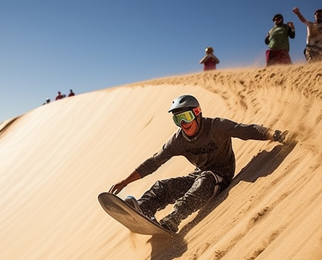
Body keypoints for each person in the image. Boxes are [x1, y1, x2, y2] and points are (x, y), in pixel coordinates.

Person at [109, 95, 288, 233]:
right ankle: (143, 209)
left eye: (186, 117)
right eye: (178, 120)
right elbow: (154, 162)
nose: (183, 124)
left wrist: (274, 134)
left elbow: (246, 130)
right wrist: (125, 182)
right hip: (199, 176)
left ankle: (174, 218)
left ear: (197, 114)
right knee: (164, 186)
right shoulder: (178, 140)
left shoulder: (217, 126)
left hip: (220, 176)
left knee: (205, 178)